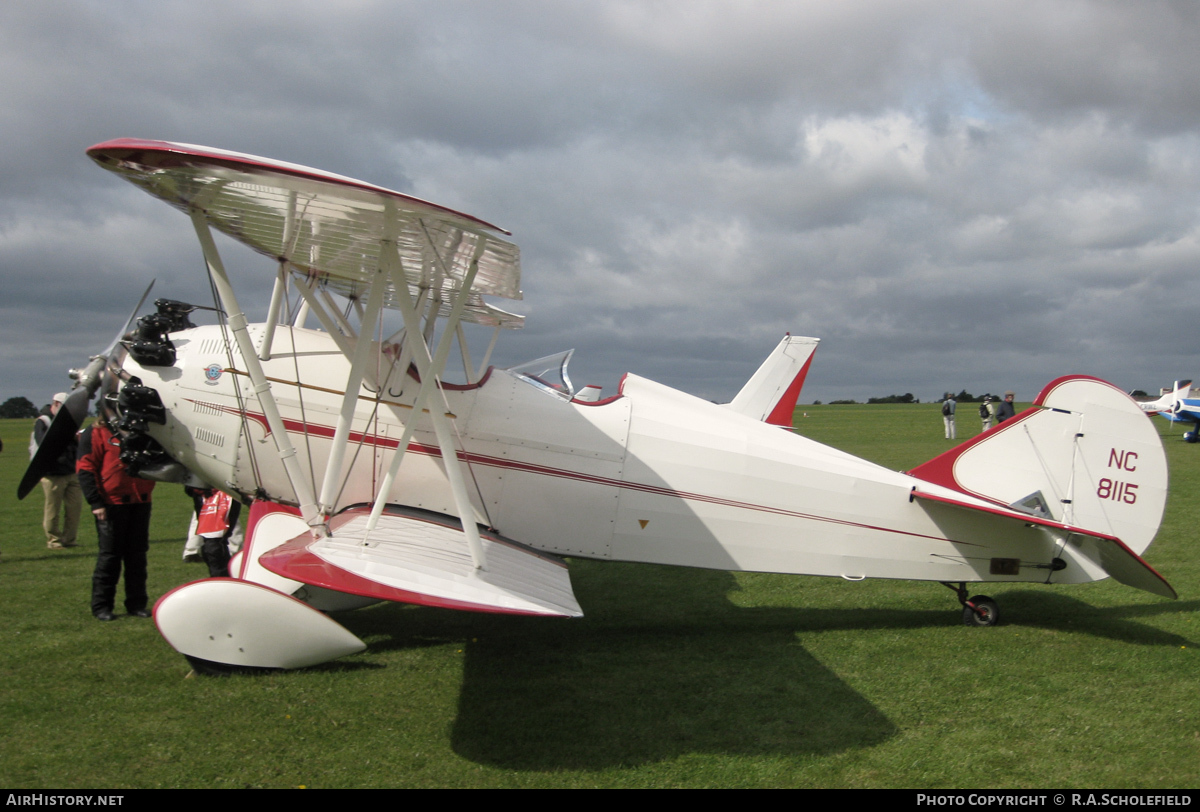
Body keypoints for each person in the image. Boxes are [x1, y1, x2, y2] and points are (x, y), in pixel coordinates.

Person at [77, 408, 155, 621]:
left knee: (137, 556)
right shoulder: (96, 432)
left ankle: (137, 603)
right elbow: (85, 467)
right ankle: (102, 606)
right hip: (112, 504)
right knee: (110, 556)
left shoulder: (142, 431)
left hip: (141, 500)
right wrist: (95, 502)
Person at [34, 393, 82, 550]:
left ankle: (69, 540)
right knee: (53, 510)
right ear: (55, 404)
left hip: (71, 471)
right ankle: (54, 541)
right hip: (52, 473)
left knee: (74, 508)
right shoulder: (43, 421)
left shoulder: (70, 421)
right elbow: (43, 443)